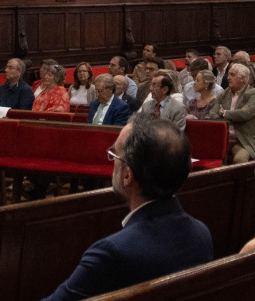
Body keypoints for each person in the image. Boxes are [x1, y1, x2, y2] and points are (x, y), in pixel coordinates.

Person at [44, 120, 212, 301]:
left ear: (127, 175)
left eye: (115, 154)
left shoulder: (111, 253)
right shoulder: (201, 234)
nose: (112, 160)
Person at [214, 64, 255, 162]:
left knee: (240, 159)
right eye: (228, 74)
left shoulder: (254, 94)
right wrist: (236, 115)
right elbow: (213, 113)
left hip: (244, 140)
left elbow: (245, 114)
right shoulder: (225, 93)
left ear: (242, 79)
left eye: (232, 75)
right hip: (223, 137)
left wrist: (224, 113)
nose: (228, 78)